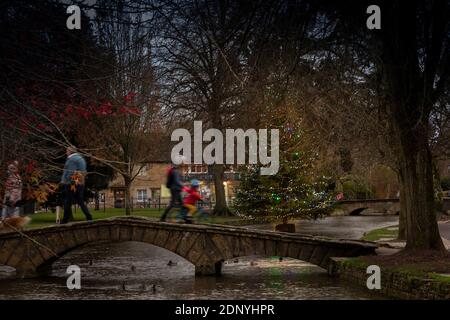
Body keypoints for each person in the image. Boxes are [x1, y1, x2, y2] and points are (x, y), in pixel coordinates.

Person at [60, 146, 92, 224]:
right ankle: (89, 216)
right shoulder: (81, 158)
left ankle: (65, 220)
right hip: (80, 182)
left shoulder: (72, 159)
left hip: (72, 182)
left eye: (67, 150)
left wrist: (64, 181)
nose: (66, 152)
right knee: (80, 200)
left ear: (71, 151)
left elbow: (70, 171)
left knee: (67, 201)